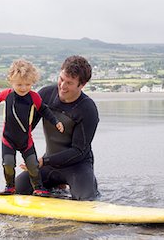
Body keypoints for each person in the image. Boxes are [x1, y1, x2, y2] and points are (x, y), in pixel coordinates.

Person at [0, 59, 64, 197]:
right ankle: (10, 187)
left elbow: (45, 111)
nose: (23, 88)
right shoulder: (7, 94)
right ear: (11, 81)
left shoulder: (34, 97)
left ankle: (38, 188)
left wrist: (56, 121)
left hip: (25, 140)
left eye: (28, 84)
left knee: (33, 165)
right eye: (19, 84)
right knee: (8, 163)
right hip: (8, 139)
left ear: (33, 82)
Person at [15, 55, 100, 200]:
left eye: (69, 83)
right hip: (48, 165)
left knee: (87, 201)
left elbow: (78, 151)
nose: (62, 86)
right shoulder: (46, 95)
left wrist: (43, 161)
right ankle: (55, 187)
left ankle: (87, 185)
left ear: (82, 85)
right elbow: (27, 128)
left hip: (77, 167)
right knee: (16, 190)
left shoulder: (88, 109)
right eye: (61, 79)